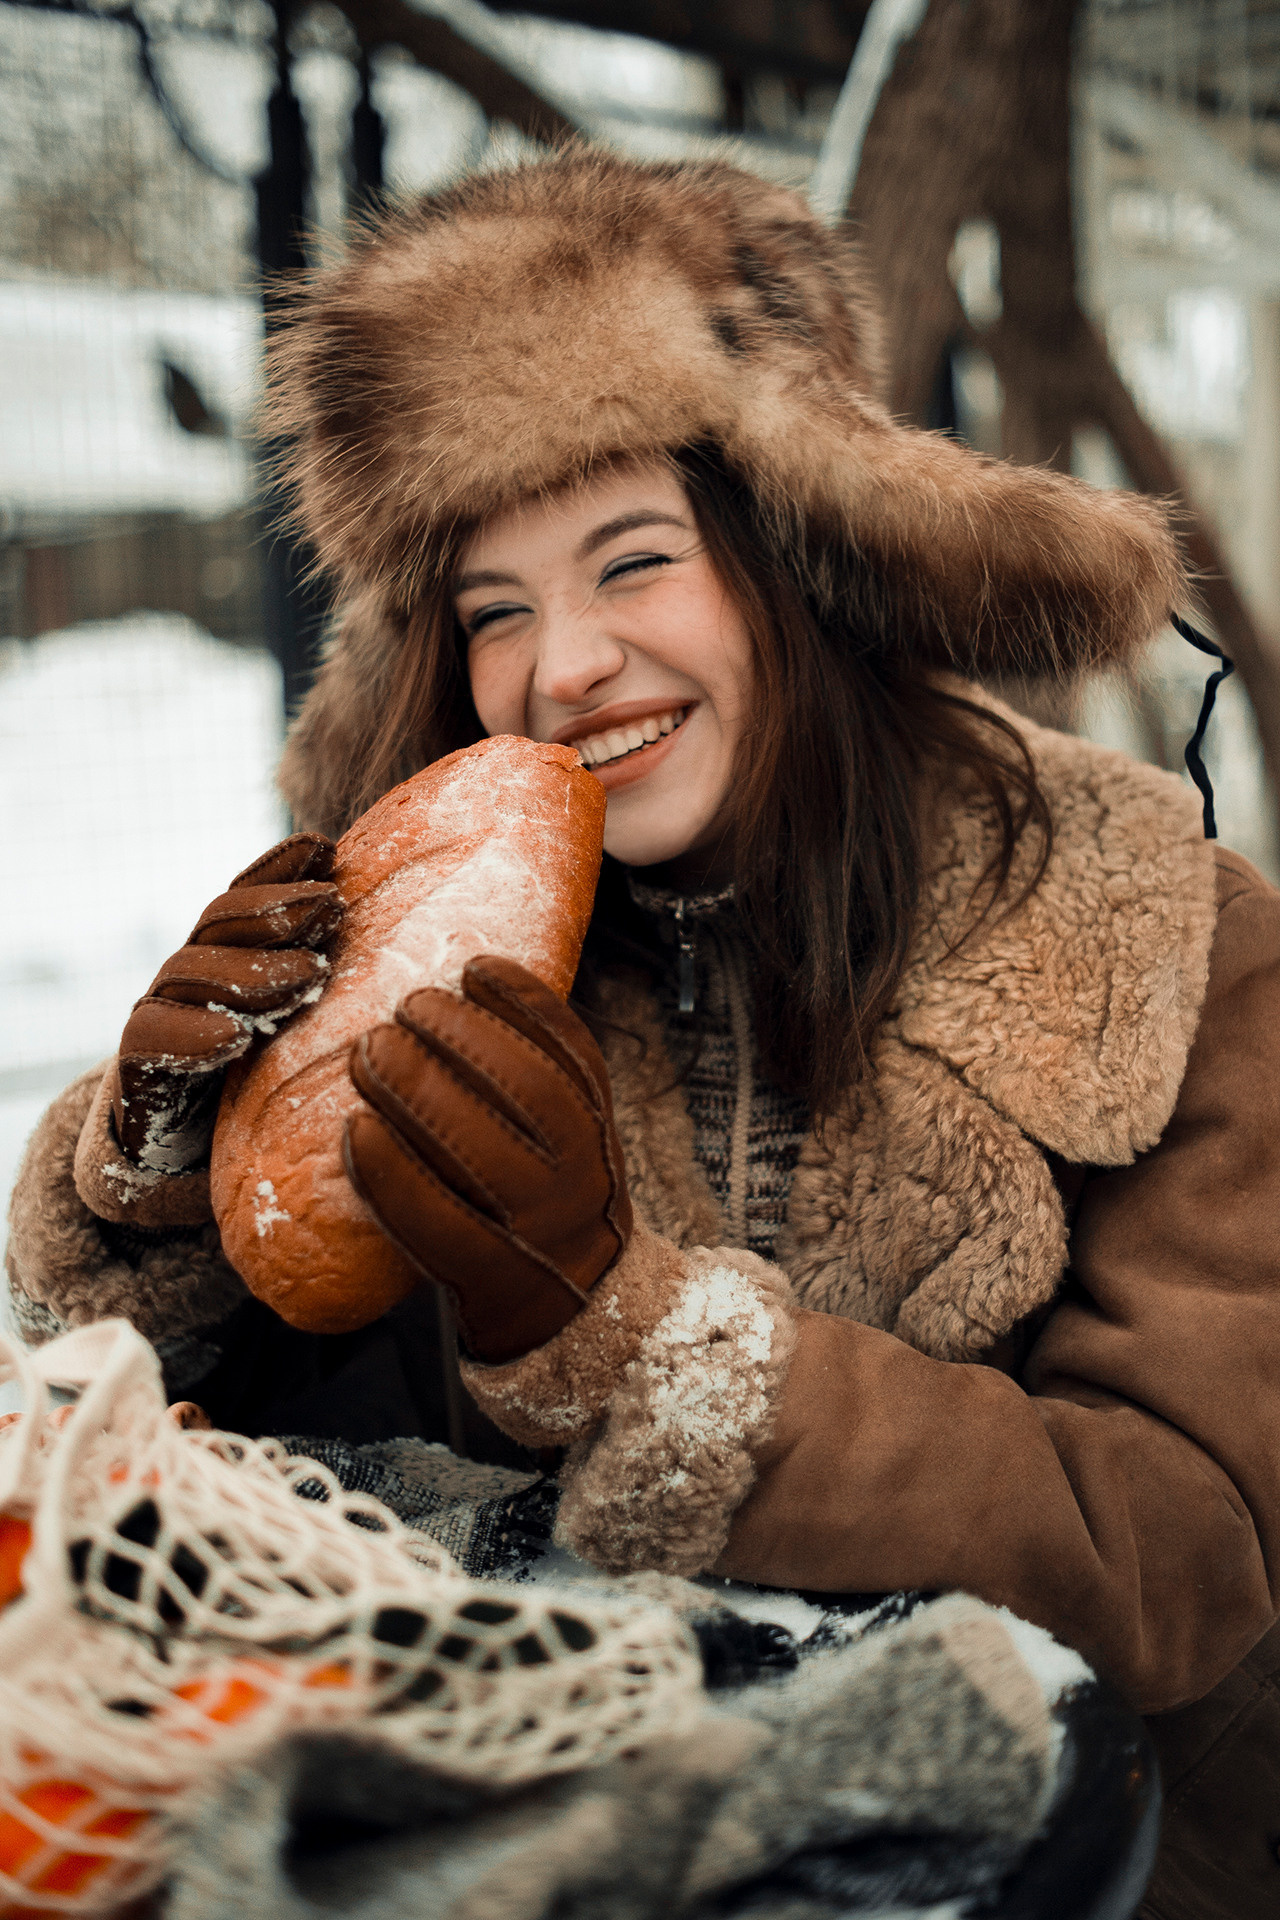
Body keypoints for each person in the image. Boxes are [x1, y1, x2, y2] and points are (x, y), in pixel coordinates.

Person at [6, 149, 1280, 1918]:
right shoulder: (433, 935)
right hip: (549, 1838)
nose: (565, 665)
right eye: (493, 609)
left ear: (800, 557)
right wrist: (167, 1192)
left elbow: (1185, 1551)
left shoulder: (1171, 940)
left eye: (633, 561)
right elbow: (281, 1492)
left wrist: (626, 1336)